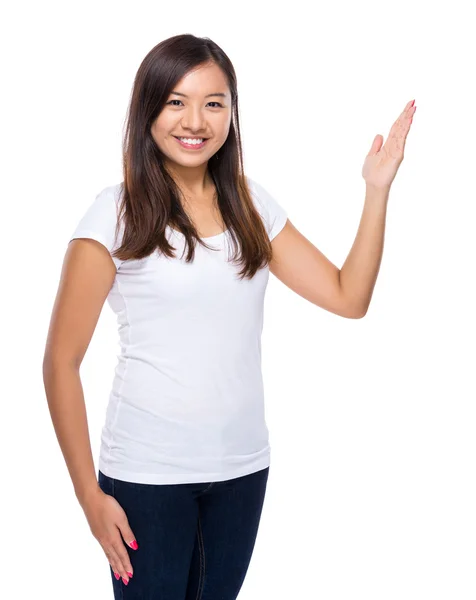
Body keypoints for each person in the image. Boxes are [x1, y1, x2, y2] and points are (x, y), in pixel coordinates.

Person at [42, 33, 416, 599]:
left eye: (214, 103)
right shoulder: (113, 215)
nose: (196, 120)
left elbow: (348, 297)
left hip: (242, 470)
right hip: (148, 477)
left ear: (231, 114)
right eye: (176, 101)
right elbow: (60, 363)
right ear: (147, 109)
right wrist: (87, 496)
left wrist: (376, 190)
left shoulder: (250, 204)